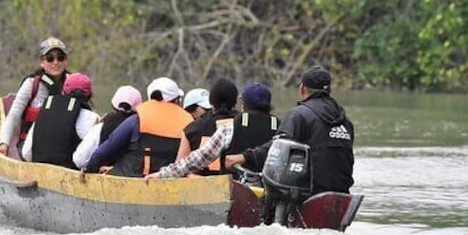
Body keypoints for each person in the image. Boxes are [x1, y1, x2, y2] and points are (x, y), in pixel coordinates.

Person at [224, 65, 354, 195]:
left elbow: (277, 148)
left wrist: (244, 157)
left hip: (312, 191)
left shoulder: (299, 115)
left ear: (302, 89)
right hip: (342, 191)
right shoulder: (345, 122)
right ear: (329, 90)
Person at [145, 81, 280, 180]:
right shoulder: (280, 128)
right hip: (270, 192)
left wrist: (162, 174)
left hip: (237, 193)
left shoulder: (229, 128)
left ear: (243, 105)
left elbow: (198, 158)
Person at [83, 77, 192, 177]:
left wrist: (89, 170)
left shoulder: (136, 120)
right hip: (169, 179)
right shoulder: (188, 122)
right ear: (176, 99)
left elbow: (106, 149)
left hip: (134, 177)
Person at [0, 37, 70, 159]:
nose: (55, 62)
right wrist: (4, 144)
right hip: (31, 146)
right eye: (50, 58)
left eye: (60, 58)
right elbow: (13, 116)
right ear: (42, 62)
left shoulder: (73, 83)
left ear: (66, 61)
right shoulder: (31, 84)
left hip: (63, 146)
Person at [22, 72, 99, 168]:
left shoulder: (44, 111)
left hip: (40, 169)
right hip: (71, 171)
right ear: (89, 95)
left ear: (63, 92)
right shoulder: (93, 118)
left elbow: (26, 153)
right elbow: (84, 160)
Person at [73, 85, 142, 169]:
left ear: (113, 104)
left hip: (103, 176)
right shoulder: (144, 129)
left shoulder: (101, 126)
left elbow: (79, 160)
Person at [175, 78, 239, 169]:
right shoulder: (245, 124)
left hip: (202, 181)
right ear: (235, 101)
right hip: (240, 180)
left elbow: (179, 165)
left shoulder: (192, 128)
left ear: (211, 102)